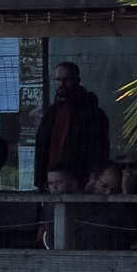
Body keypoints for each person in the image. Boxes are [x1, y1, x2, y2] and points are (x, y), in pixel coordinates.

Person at [34, 62, 111, 193]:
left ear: (77, 80)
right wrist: (41, 180)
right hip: (52, 179)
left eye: (67, 79)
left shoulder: (92, 113)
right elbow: (42, 147)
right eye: (58, 80)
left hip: (78, 179)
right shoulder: (52, 113)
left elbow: (100, 148)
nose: (62, 84)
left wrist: (92, 177)